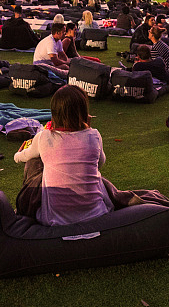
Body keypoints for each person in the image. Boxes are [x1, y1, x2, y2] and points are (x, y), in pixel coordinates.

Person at [13, 85, 112, 226]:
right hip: (97, 214)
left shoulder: (44, 137)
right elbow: (100, 163)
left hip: (54, 220)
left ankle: (24, 208)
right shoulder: (94, 135)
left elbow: (23, 157)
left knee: (33, 162)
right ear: (84, 111)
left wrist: (17, 154)